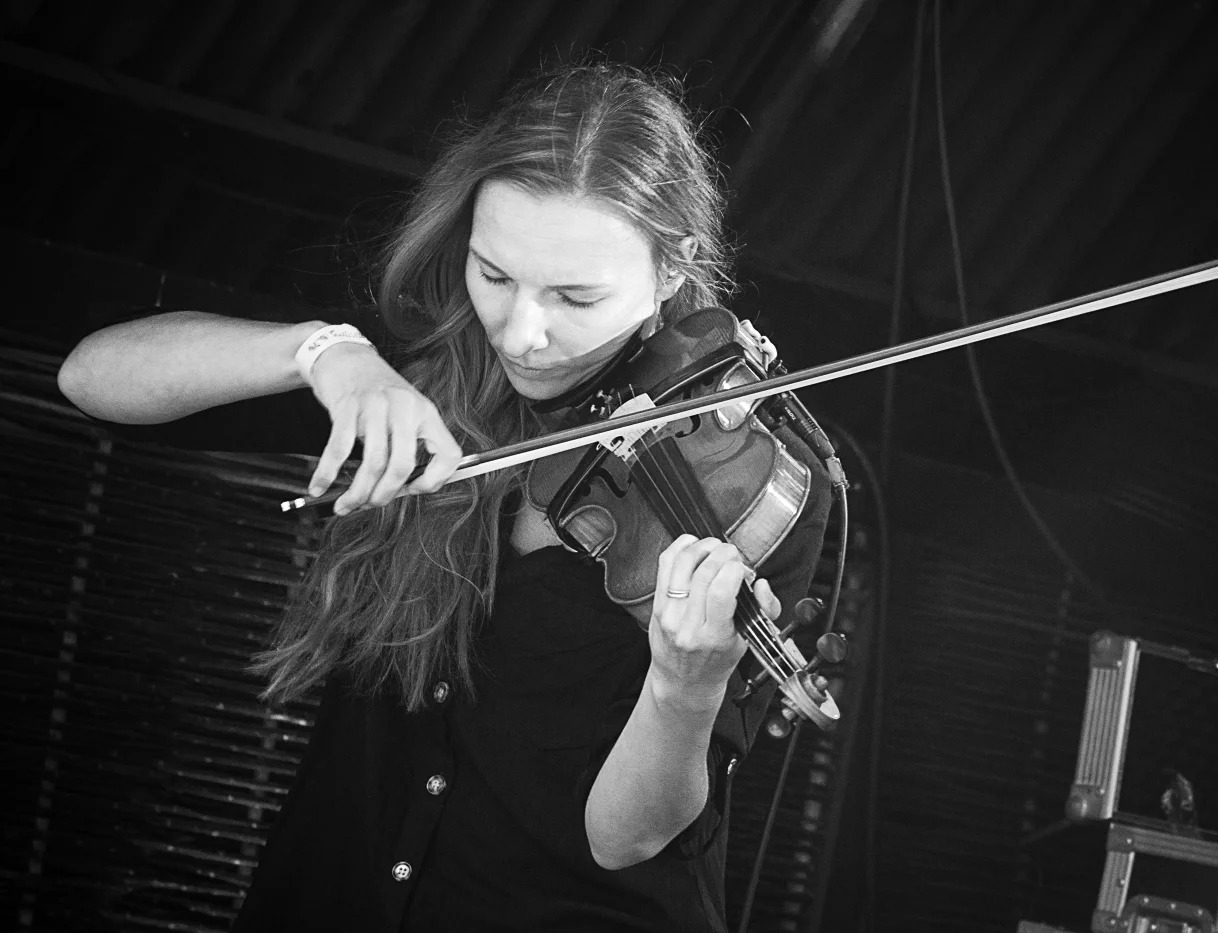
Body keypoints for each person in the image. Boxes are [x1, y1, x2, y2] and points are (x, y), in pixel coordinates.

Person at [57, 62, 831, 932]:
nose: (522, 334)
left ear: (670, 267)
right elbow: (92, 378)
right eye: (493, 274)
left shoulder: (753, 479)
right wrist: (320, 352)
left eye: (575, 297)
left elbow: (626, 838)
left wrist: (684, 687)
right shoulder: (416, 357)